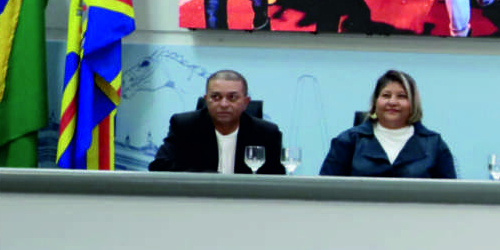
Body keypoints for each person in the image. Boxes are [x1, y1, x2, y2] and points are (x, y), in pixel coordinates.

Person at [319, 69, 458, 179]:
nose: (392, 102)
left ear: (413, 104)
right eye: (386, 95)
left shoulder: (434, 145)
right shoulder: (348, 142)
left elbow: (450, 197)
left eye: (401, 96)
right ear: (375, 102)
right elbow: (325, 191)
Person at [149, 69, 286, 175]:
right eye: (216, 97)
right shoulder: (185, 126)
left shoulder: (266, 133)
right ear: (206, 99)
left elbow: (276, 177)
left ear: (245, 102)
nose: (224, 104)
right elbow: (159, 166)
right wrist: (209, 177)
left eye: (232, 97)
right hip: (198, 202)